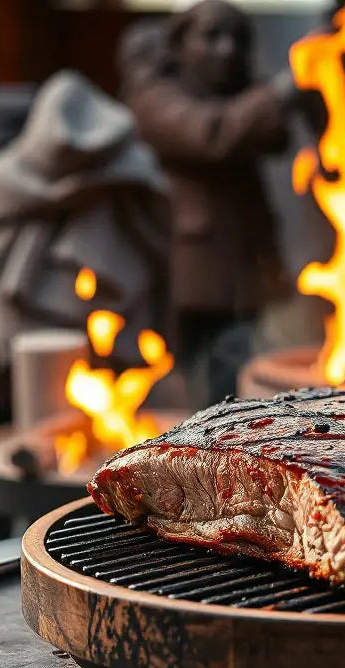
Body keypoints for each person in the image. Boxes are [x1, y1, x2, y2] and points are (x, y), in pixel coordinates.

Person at [120, 0, 303, 405]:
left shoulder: (238, 94)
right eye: (212, 36)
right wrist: (278, 91)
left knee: (239, 373)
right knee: (202, 380)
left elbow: (276, 136)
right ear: (180, 42)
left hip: (245, 266)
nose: (227, 49)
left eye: (237, 38)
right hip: (191, 274)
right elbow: (210, 134)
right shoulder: (155, 94)